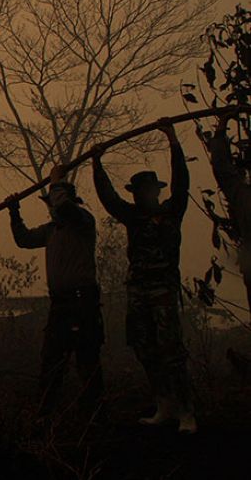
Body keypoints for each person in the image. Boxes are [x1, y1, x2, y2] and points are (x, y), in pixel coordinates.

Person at [91, 120, 196, 434]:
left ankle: (187, 411)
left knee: (171, 350)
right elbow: (108, 198)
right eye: (138, 192)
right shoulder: (132, 216)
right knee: (143, 346)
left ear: (155, 191)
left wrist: (173, 140)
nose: (142, 196)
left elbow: (182, 182)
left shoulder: (171, 210)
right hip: (138, 289)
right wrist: (97, 162)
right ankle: (164, 403)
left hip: (163, 288)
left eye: (147, 190)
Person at [5, 165, 104, 418]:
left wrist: (56, 182)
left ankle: (95, 414)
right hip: (60, 304)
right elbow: (24, 239)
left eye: (54, 202)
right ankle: (46, 412)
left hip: (83, 302)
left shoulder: (82, 221)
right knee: (52, 360)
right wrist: (14, 212)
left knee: (87, 360)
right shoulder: (51, 231)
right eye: (50, 203)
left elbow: (66, 208)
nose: (52, 208)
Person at [206, 113, 251, 316]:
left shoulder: (242, 195)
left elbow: (223, 167)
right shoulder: (243, 196)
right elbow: (222, 166)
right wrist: (222, 126)